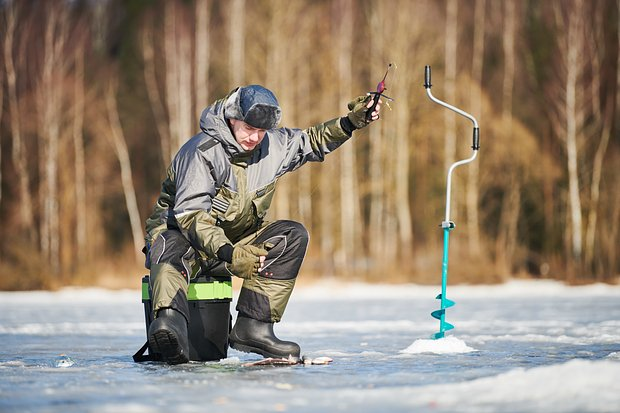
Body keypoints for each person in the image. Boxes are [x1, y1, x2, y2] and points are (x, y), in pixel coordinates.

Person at [144, 84, 382, 364]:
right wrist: (231, 254)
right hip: (187, 244)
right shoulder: (201, 152)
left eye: (261, 132)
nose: (255, 138)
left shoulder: (272, 146)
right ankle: (170, 324)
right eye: (248, 128)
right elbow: (191, 216)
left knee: (291, 236)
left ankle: (253, 327)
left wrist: (350, 122)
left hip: (236, 244)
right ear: (232, 118)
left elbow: (312, 141)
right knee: (168, 241)